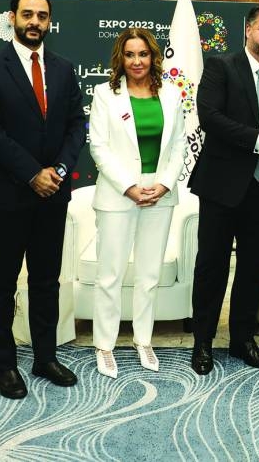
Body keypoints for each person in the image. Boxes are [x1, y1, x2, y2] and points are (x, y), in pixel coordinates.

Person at [0, 0, 86, 399]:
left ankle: (44, 356)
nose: (34, 22)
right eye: (27, 15)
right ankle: (5, 365)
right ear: (13, 18)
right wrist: (30, 174)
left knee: (45, 281)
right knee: (1, 282)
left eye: (42, 16)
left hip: (52, 194)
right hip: (8, 196)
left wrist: (55, 171)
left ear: (49, 22)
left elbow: (76, 126)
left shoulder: (63, 68)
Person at [187, 3, 259, 375]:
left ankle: (242, 339)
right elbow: (211, 118)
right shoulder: (222, 67)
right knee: (212, 267)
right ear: (248, 31)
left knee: (253, 268)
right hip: (222, 186)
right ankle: (203, 342)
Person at [89, 29, 187, 376]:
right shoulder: (105, 94)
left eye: (143, 54)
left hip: (160, 193)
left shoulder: (172, 94)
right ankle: (105, 344)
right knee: (110, 275)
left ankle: (143, 340)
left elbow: (179, 145)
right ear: (121, 58)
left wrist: (162, 184)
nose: (136, 61)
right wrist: (129, 186)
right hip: (118, 194)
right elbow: (98, 146)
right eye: (130, 55)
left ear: (153, 57)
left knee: (148, 274)